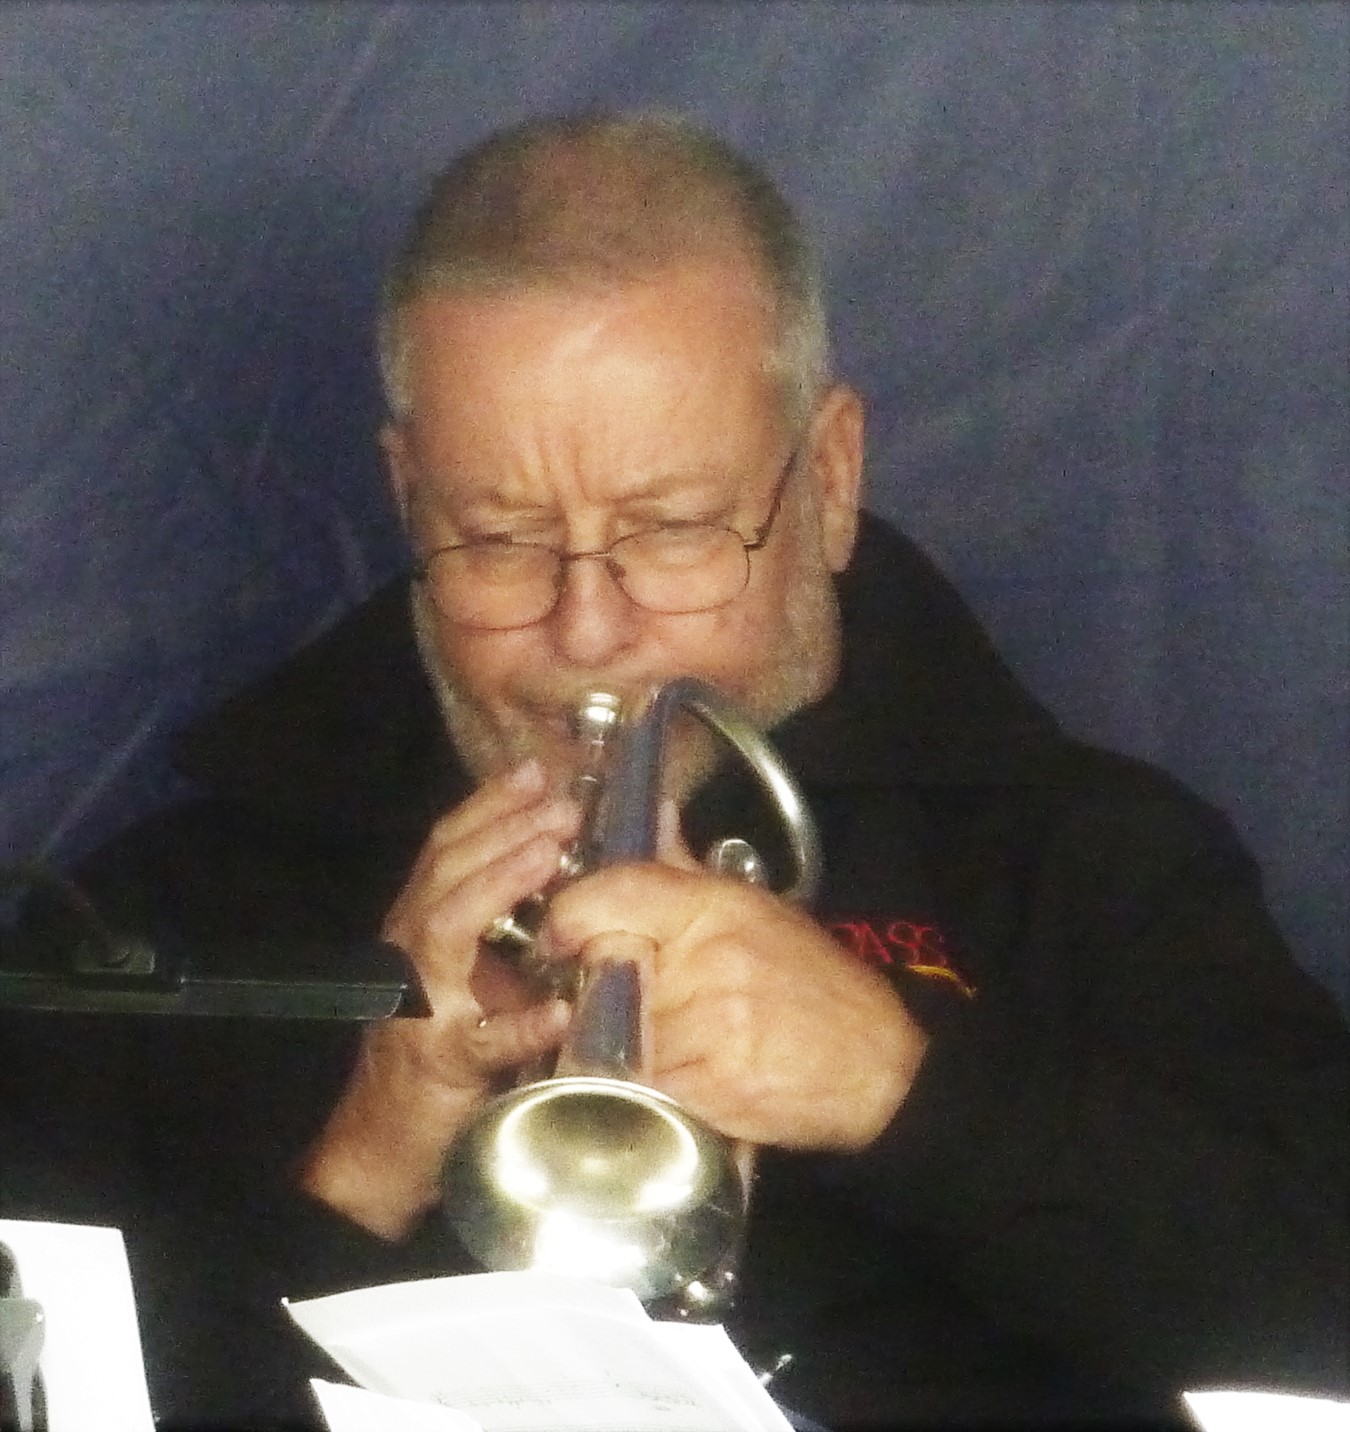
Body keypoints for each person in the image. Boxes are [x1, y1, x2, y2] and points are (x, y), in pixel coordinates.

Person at [3, 110, 1347, 1431]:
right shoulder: (158, 917)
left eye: (676, 530)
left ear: (829, 479)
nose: (589, 630)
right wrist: (366, 1157)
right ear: (409, 496)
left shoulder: (1096, 865)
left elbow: (1315, 1320)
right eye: (501, 539)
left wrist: (904, 1095)